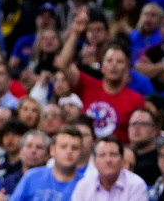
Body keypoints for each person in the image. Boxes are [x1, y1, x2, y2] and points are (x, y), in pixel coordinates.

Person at [57, 8, 145, 143]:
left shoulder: (136, 99)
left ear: (126, 67)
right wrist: (76, 32)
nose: (114, 65)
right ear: (102, 66)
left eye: (119, 61)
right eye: (109, 61)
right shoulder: (88, 85)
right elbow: (63, 64)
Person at [8, 126, 83, 201]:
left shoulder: (85, 185)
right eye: (63, 147)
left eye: (75, 148)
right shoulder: (32, 177)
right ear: (52, 150)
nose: (69, 151)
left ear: (81, 152)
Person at [71, 136, 148, 201]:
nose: (108, 160)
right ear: (94, 161)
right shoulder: (84, 186)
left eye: (113, 154)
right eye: (102, 155)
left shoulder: (136, 185)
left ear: (122, 160)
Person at [128, 108, 161, 185]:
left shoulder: (160, 159)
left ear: (154, 130)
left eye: (142, 124)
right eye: (133, 124)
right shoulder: (123, 158)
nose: (136, 128)